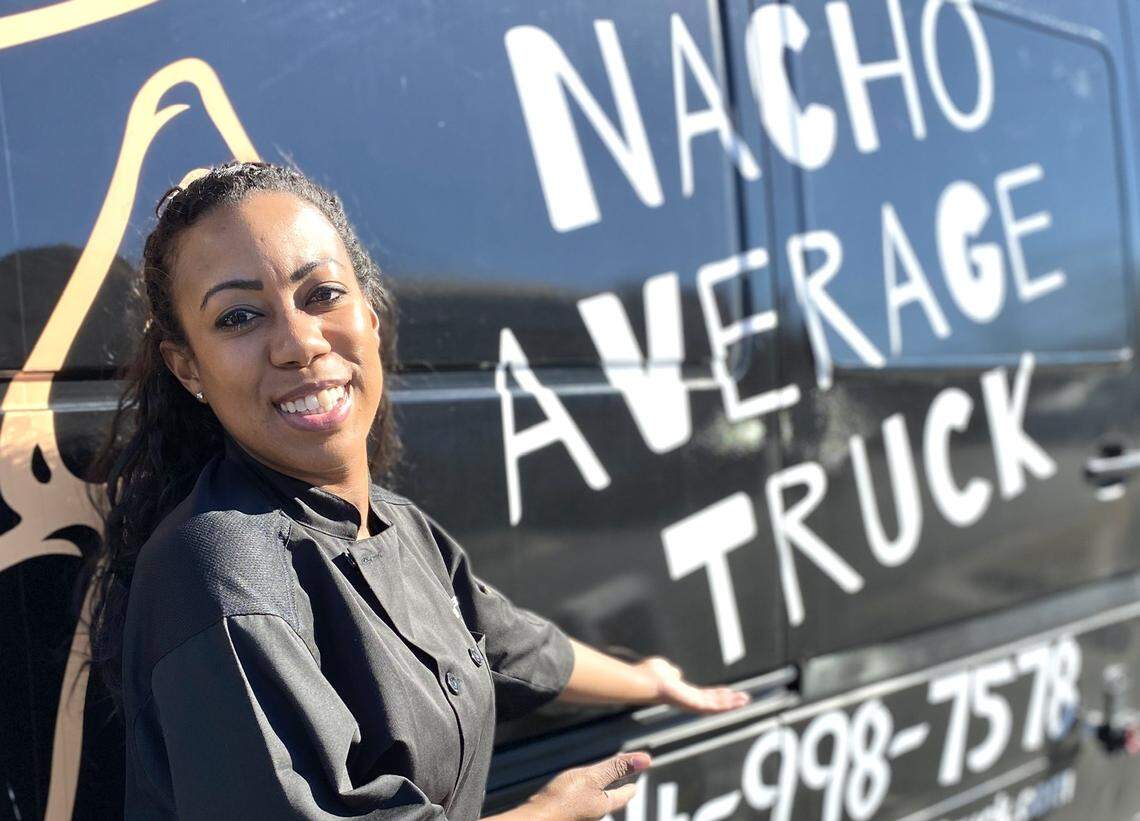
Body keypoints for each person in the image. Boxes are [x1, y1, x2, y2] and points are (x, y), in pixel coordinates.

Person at [84, 161, 749, 820]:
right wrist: (550, 813)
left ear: (369, 316)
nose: (298, 342)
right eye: (238, 318)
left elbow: (513, 647)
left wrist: (650, 680)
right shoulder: (217, 567)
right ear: (188, 367)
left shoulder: (395, 523)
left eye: (322, 294)